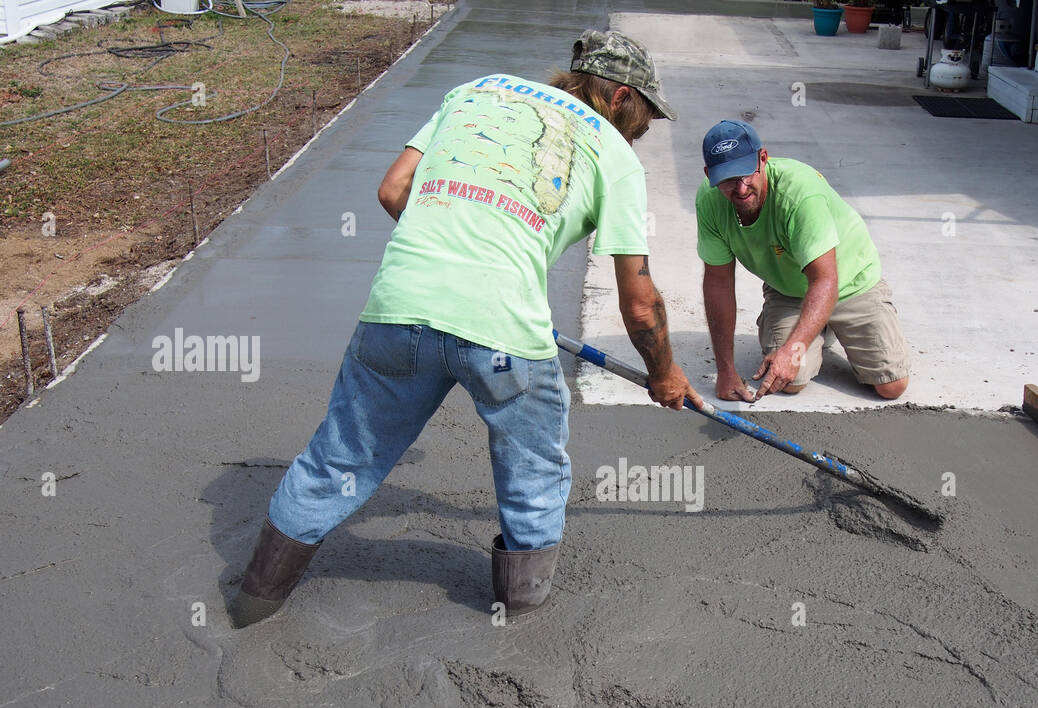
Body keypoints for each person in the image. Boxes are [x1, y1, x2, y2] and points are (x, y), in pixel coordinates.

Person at [229, 30, 700, 627]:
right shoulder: (614, 154)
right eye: (646, 120)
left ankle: (253, 603)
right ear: (621, 98)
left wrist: (453, 254)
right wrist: (664, 374)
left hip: (396, 313)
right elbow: (639, 304)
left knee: (337, 461)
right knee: (532, 470)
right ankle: (520, 620)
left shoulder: (476, 92)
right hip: (503, 335)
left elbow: (392, 189)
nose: (644, 132)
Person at [695, 119, 910, 402]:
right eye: (727, 180)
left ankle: (824, 325)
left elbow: (825, 280)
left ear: (763, 158)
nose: (741, 188)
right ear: (709, 174)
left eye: (746, 173)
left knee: (891, 386)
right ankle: (817, 326)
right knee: (788, 380)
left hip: (850, 284)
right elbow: (718, 284)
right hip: (789, 290)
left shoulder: (800, 193)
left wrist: (792, 350)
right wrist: (725, 370)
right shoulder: (709, 201)